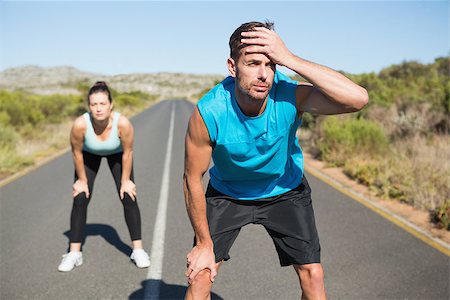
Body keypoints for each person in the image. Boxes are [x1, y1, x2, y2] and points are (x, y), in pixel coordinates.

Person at [183, 21, 368, 299]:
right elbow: (192, 179)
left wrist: (289, 59)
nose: (264, 75)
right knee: (200, 277)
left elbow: (358, 99)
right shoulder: (210, 111)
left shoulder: (289, 95)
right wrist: (204, 243)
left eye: (271, 64)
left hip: (285, 190)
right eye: (253, 63)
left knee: (313, 276)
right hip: (228, 193)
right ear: (232, 67)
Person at [58, 81, 150, 272]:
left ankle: (138, 250)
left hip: (117, 155)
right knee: (80, 197)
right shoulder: (80, 125)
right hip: (88, 155)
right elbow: (76, 152)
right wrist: (81, 181)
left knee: (128, 195)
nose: (98, 108)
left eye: (102, 104)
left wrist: (126, 181)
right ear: (89, 106)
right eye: (94, 104)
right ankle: (74, 253)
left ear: (110, 104)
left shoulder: (122, 124)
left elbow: (128, 152)